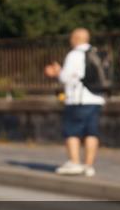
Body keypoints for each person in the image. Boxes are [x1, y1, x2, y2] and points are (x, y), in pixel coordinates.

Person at [44, 27, 106, 177]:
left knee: (72, 132)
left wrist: (58, 71)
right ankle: (88, 166)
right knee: (91, 132)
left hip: (78, 99)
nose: (70, 40)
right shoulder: (98, 53)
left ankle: (74, 162)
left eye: (71, 38)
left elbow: (66, 78)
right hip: (96, 98)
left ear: (76, 38)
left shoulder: (74, 54)